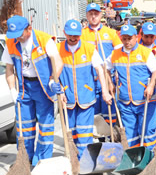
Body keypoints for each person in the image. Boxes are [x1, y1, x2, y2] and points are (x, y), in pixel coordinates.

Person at [2, 15, 63, 165]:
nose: (18, 38)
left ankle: (42, 161)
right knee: (24, 127)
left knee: (45, 126)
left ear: (29, 28)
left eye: (20, 35)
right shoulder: (11, 42)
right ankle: (25, 160)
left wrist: (51, 81)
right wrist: (12, 90)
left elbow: (58, 62)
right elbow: (9, 70)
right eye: (14, 35)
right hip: (24, 87)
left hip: (42, 86)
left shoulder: (44, 39)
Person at [57, 19, 112, 157]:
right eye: (70, 35)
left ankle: (84, 161)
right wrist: (59, 91)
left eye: (76, 35)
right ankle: (73, 159)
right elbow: (53, 73)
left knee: (84, 132)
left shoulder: (89, 48)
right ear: (64, 33)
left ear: (80, 34)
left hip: (86, 97)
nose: (73, 38)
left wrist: (105, 92)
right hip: (67, 98)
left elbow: (100, 70)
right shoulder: (58, 49)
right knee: (71, 132)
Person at [106, 24, 156, 150]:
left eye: (129, 38)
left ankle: (149, 160)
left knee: (147, 132)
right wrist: (110, 83)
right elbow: (106, 68)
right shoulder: (115, 54)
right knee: (129, 135)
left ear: (136, 37)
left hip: (145, 101)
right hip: (125, 102)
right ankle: (133, 161)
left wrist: (151, 86)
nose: (127, 41)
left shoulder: (145, 52)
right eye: (124, 39)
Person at [81, 3, 122, 127]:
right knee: (92, 113)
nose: (93, 16)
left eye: (96, 14)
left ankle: (111, 137)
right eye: (91, 14)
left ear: (101, 15)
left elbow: (120, 54)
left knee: (109, 111)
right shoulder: (81, 34)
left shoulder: (111, 33)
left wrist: (117, 73)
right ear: (87, 16)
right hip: (89, 78)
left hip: (106, 77)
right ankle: (96, 140)